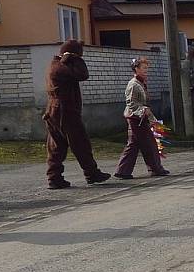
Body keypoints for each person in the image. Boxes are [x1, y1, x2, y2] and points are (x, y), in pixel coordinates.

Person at [43, 40, 110, 189]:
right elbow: (83, 74)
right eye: (78, 55)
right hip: (65, 111)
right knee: (80, 142)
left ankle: (54, 178)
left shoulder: (54, 65)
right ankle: (91, 173)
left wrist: (69, 58)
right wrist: (73, 58)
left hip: (54, 111)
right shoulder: (61, 67)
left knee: (57, 146)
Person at [113, 58, 169, 180]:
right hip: (135, 118)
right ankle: (152, 169)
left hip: (140, 117)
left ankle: (126, 170)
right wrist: (142, 110)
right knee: (143, 143)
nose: (146, 71)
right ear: (136, 69)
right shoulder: (133, 84)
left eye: (146, 68)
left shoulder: (141, 82)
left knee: (143, 144)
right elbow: (130, 102)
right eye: (143, 68)